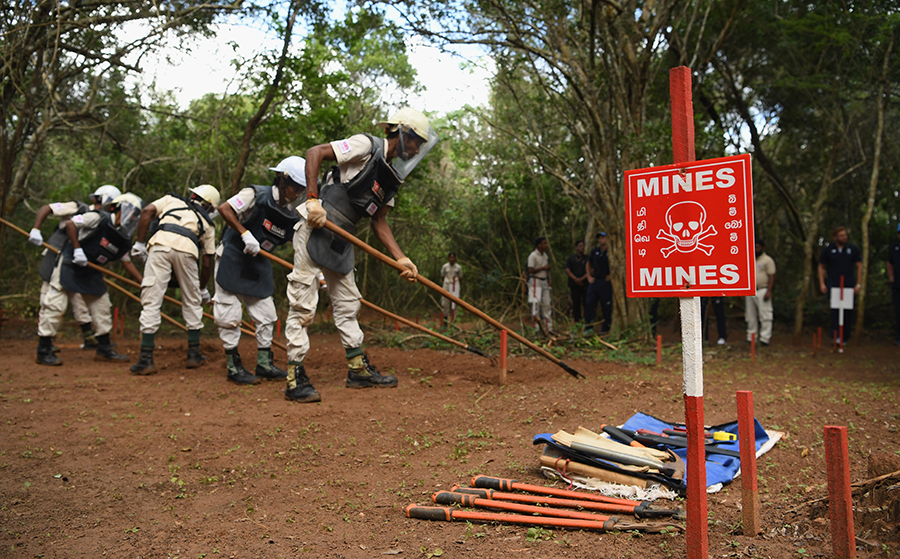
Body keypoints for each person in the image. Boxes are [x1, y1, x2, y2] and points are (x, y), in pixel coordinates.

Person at [282, 107, 439, 403]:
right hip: (316, 224)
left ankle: (357, 370)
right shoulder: (367, 146)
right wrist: (314, 200)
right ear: (402, 134)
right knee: (303, 301)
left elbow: (379, 222)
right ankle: (294, 376)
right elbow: (315, 152)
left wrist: (400, 258)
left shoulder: (391, 178)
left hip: (343, 236)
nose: (418, 149)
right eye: (417, 140)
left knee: (348, 303)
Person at [213, 157, 305, 385]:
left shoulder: (292, 215)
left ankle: (264, 364)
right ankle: (234, 367)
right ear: (282, 181)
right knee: (229, 315)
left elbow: (300, 244)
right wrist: (244, 233)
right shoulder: (256, 195)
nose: (297, 194)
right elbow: (225, 208)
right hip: (232, 256)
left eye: (302, 189)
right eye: (295, 187)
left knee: (266, 316)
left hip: (259, 263)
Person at [36, 193, 143, 365]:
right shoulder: (97, 218)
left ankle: (104, 348)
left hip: (91, 271)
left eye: (135, 214)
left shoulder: (123, 238)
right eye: (130, 212)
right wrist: (77, 249)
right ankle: (44, 349)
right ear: (117, 208)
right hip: (70, 263)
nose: (132, 217)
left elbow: (126, 261)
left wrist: (142, 282)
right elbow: (71, 224)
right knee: (55, 305)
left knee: (102, 306)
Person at [129, 185, 220, 374]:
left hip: (160, 244)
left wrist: (139, 242)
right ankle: (194, 354)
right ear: (209, 206)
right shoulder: (208, 224)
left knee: (152, 300)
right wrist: (201, 289)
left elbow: (147, 212)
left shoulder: (171, 200)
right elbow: (207, 261)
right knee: (192, 302)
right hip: (188, 250)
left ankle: (146, 358)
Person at [29, 185, 121, 350]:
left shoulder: (105, 221)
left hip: (78, 266)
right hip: (56, 259)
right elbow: (46, 208)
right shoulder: (78, 208)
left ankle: (90, 339)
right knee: (50, 301)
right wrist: (36, 229)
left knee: (81, 303)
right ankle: (45, 344)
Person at [818, 226, 862, 345]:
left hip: (848, 284)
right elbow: (821, 266)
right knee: (835, 310)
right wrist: (822, 283)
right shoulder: (828, 250)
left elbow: (859, 266)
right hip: (834, 283)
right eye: (841, 236)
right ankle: (835, 335)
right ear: (835, 237)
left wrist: (858, 284)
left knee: (847, 310)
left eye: (845, 235)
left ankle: (845, 337)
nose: (844, 237)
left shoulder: (853, 249)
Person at [745, 239, 776, 346]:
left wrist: (769, 291)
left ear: (762, 248)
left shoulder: (767, 260)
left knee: (765, 315)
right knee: (750, 315)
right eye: (754, 247)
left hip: (763, 290)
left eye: (757, 247)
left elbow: (772, 275)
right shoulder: (749, 259)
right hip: (750, 291)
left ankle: (765, 338)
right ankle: (751, 337)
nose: (755, 249)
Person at [585, 232, 612, 333]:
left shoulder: (611, 251)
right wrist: (588, 276)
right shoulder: (595, 251)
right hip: (596, 281)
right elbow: (588, 263)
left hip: (606, 282)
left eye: (603, 238)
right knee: (590, 303)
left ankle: (606, 328)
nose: (601, 240)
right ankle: (588, 328)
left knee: (607, 306)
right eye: (599, 238)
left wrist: (612, 275)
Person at [527, 236, 553, 333]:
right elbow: (530, 270)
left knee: (547, 303)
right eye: (544, 243)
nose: (546, 245)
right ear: (539, 245)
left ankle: (548, 327)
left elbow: (548, 268)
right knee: (535, 304)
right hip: (535, 280)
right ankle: (536, 327)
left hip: (544, 280)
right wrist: (542, 268)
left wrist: (549, 278)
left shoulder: (545, 255)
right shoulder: (533, 256)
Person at [565, 240, 588, 323]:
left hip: (585, 284)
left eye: (583, 246)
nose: (582, 248)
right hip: (574, 285)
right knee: (576, 303)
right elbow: (567, 270)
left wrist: (582, 279)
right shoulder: (571, 259)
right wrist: (575, 279)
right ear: (576, 248)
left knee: (586, 303)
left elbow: (591, 270)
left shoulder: (587, 258)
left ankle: (587, 321)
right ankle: (577, 322)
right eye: (580, 246)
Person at [886, 224, 900, 345]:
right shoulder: (895, 248)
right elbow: (889, 263)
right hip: (897, 285)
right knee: (898, 310)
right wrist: (891, 277)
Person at [440, 252, 462, 324]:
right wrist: (447, 283)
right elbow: (442, 276)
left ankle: (453, 321)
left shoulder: (458, 267)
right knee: (445, 303)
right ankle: (445, 320)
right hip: (446, 284)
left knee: (455, 303)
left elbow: (460, 277)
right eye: (450, 257)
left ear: (455, 258)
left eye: (453, 257)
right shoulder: (445, 266)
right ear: (448, 258)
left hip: (455, 285)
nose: (452, 259)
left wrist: (456, 284)